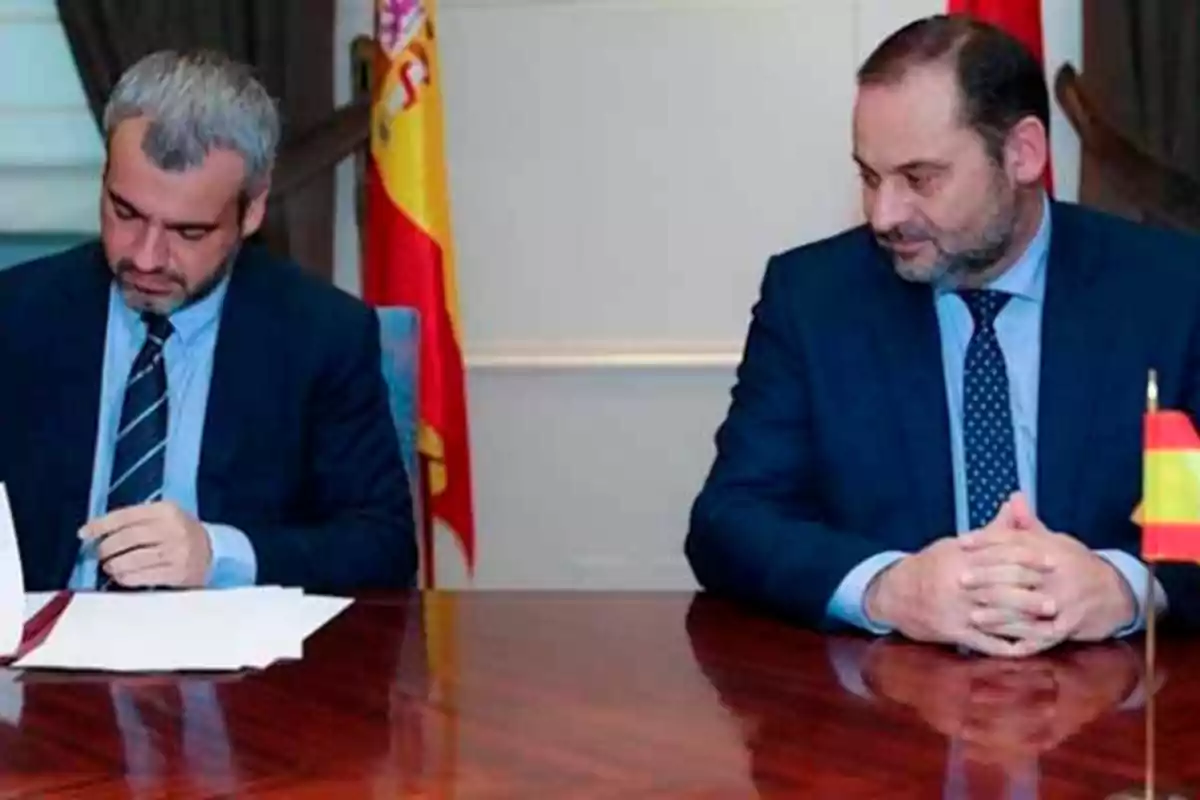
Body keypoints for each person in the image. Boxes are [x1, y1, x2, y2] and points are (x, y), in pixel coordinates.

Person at [685, 14, 1200, 657]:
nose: (884, 214)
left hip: (1119, 714)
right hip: (883, 712)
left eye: (919, 178)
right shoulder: (814, 299)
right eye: (870, 177)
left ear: (1022, 154)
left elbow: (1194, 518)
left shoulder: (1172, 291)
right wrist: (888, 588)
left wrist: (1125, 585)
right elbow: (730, 522)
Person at [0, 50, 416, 592]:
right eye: (125, 213)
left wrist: (220, 555)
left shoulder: (321, 335)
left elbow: (383, 545)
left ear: (251, 213)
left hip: (235, 668)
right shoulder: (15, 314)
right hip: (36, 660)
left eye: (188, 232)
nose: (146, 257)